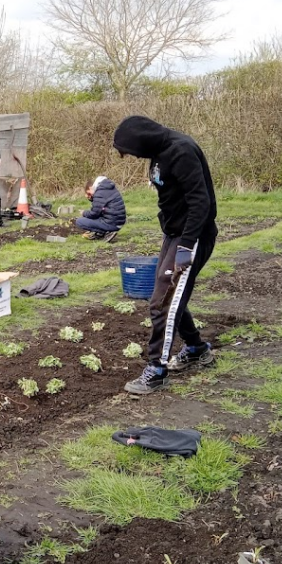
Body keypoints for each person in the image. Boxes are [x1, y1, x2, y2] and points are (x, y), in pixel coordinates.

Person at [112, 115, 217, 395]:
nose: (130, 156)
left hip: (190, 238)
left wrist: (186, 246)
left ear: (142, 142)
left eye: (130, 151)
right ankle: (196, 348)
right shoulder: (160, 151)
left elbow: (200, 201)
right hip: (175, 234)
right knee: (168, 297)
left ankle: (157, 370)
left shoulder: (181, 151)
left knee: (162, 304)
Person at [76, 176, 126, 242]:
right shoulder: (107, 188)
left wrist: (84, 213)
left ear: (91, 188)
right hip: (118, 221)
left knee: (79, 221)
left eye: (88, 192)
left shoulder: (99, 193)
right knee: (96, 217)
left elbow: (94, 214)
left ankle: (107, 232)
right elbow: (99, 209)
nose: (88, 195)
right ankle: (102, 233)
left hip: (113, 223)